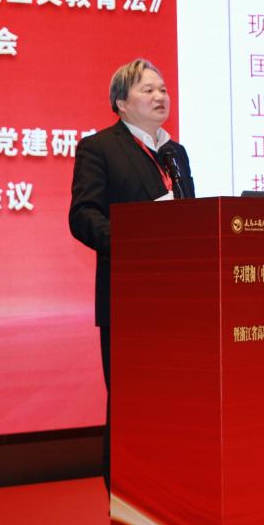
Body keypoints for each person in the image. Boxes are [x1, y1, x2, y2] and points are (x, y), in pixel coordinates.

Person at [68, 57, 194, 489]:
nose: (160, 97)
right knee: (131, 407)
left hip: (180, 303)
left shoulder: (175, 153)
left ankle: (172, 491)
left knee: (175, 405)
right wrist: (138, 240)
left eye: (163, 89)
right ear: (121, 103)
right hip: (130, 302)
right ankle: (125, 499)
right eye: (148, 90)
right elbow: (83, 217)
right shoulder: (100, 148)